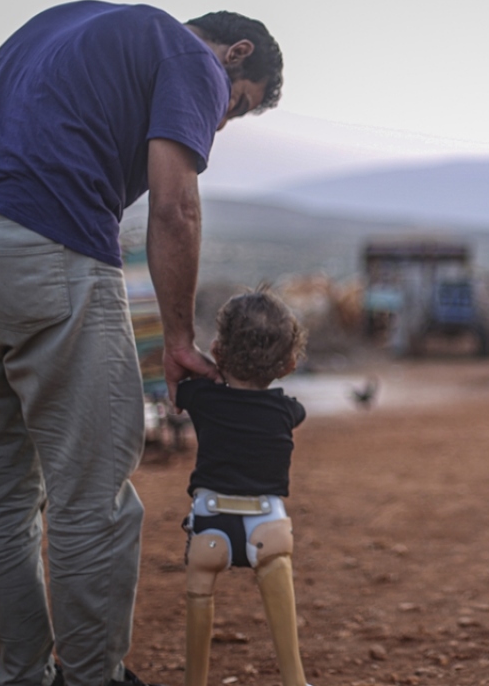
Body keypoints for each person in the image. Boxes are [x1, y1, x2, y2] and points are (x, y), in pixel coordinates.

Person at [0, 1, 283, 686]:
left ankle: (22, 677)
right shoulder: (189, 56)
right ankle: (93, 678)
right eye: (235, 106)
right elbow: (175, 205)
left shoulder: (62, 24)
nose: (220, 122)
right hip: (45, 254)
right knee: (90, 497)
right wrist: (178, 337)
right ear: (234, 53)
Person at [177, 290, 308, 686]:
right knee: (280, 599)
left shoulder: (199, 397)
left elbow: (181, 387)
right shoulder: (288, 409)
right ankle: (294, 679)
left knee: (199, 598)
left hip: (210, 524)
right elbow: (294, 410)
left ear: (217, 349)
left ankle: (194, 681)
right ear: (288, 363)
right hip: (267, 527)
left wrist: (208, 370)